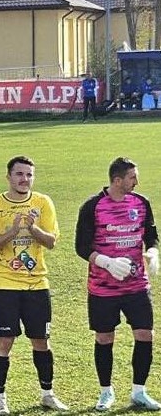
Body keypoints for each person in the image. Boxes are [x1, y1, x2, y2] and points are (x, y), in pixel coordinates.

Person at [0, 156, 67, 415]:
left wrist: (33, 228)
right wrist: (13, 231)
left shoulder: (43, 202)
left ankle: (48, 394)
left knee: (41, 341)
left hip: (37, 284)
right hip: (3, 284)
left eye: (29, 174)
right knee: (4, 341)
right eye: (19, 174)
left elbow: (51, 242)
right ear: (8, 177)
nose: (24, 179)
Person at [75, 157, 160, 411]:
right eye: (132, 177)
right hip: (103, 288)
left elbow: (151, 236)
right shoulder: (92, 206)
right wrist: (107, 263)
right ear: (117, 180)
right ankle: (106, 392)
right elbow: (81, 247)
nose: (137, 182)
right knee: (104, 338)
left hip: (137, 286)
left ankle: (139, 392)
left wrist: (153, 253)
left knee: (145, 335)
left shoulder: (141, 202)